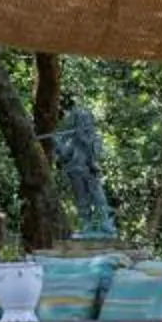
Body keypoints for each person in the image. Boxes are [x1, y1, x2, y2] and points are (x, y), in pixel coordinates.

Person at [45, 101, 118, 240]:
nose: (84, 124)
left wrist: (84, 139)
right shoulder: (73, 141)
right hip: (76, 173)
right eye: (81, 121)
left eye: (87, 121)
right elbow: (65, 154)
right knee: (82, 201)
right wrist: (57, 142)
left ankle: (105, 223)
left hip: (91, 174)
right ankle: (86, 225)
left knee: (100, 199)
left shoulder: (94, 138)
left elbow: (97, 154)